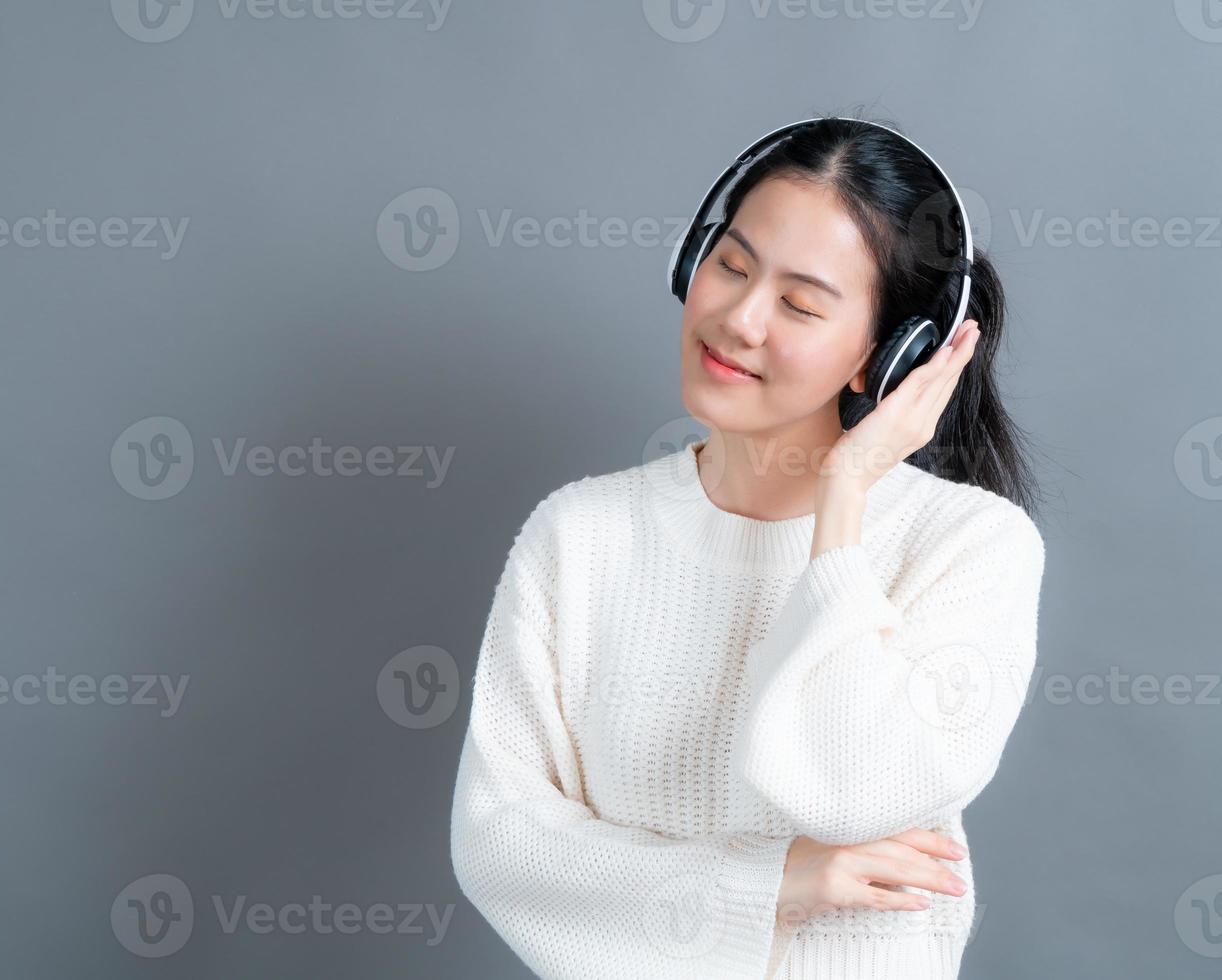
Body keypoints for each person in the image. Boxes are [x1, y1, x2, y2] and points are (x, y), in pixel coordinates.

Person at [448, 115, 1048, 979]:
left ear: (886, 359)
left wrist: (842, 504)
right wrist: (768, 887)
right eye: (730, 265)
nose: (738, 319)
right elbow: (501, 840)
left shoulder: (969, 546)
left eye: (801, 304)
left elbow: (849, 790)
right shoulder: (578, 538)